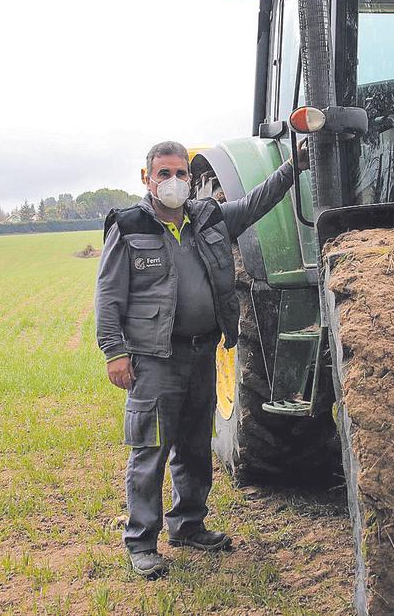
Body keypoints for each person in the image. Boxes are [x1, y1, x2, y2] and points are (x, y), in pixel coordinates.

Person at [95, 139, 305, 578]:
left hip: (201, 352)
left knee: (194, 446)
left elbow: (256, 202)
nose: (173, 182)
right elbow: (109, 296)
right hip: (155, 359)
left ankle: (188, 525)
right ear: (146, 178)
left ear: (191, 179)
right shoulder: (129, 227)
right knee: (150, 449)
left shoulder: (208, 218)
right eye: (164, 173)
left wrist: (294, 165)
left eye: (181, 173)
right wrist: (115, 352)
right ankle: (141, 541)